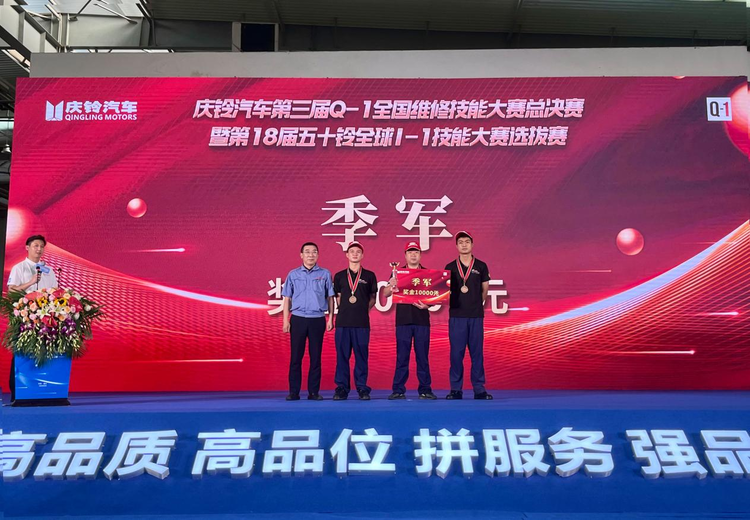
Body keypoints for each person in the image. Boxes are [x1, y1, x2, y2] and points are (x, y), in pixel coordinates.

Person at [6, 235, 59, 402]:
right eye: (36, 245)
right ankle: (17, 393)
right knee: (22, 353)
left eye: (41, 246)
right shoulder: (19, 268)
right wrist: (30, 282)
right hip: (25, 318)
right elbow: (12, 291)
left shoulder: (49, 270)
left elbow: (55, 292)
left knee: (44, 353)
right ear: (27, 247)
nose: (39, 249)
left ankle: (43, 391)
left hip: (46, 319)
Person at [281, 242, 335, 401]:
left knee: (315, 357)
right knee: (295, 357)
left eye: (314, 252)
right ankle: (294, 392)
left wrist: (330, 318)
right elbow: (287, 299)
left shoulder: (325, 274)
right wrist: (285, 321)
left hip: (317, 320)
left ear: (318, 255)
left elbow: (330, 298)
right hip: (297, 319)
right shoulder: (293, 274)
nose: (311, 255)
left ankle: (313, 392)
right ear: (301, 255)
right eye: (307, 252)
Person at [383, 241, 436, 400]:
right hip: (403, 321)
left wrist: (428, 305)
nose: (413, 255)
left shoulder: (427, 274)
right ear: (405, 255)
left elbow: (435, 296)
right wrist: (391, 285)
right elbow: (386, 293)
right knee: (402, 357)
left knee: (423, 357)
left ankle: (425, 390)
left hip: (422, 321)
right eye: (410, 252)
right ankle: (398, 390)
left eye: (416, 252)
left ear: (420, 255)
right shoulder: (397, 273)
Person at [445, 231, 493, 400]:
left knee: (477, 353)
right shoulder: (450, 267)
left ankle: (479, 389)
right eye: (461, 242)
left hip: (475, 316)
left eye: (467, 242)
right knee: (456, 354)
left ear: (472, 244)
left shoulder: (481, 266)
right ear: (456, 246)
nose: (464, 245)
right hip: (456, 316)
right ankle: (455, 389)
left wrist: (475, 304)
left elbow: (484, 290)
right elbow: (444, 292)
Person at [332, 241, 378, 400]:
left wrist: (363, 310)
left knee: (361, 357)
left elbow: (373, 298)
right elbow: (338, 298)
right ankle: (342, 388)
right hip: (343, 323)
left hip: (362, 324)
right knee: (342, 357)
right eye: (352, 251)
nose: (355, 254)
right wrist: (347, 309)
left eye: (358, 251)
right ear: (347, 255)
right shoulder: (339, 276)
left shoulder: (369, 275)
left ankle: (362, 388)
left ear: (362, 255)